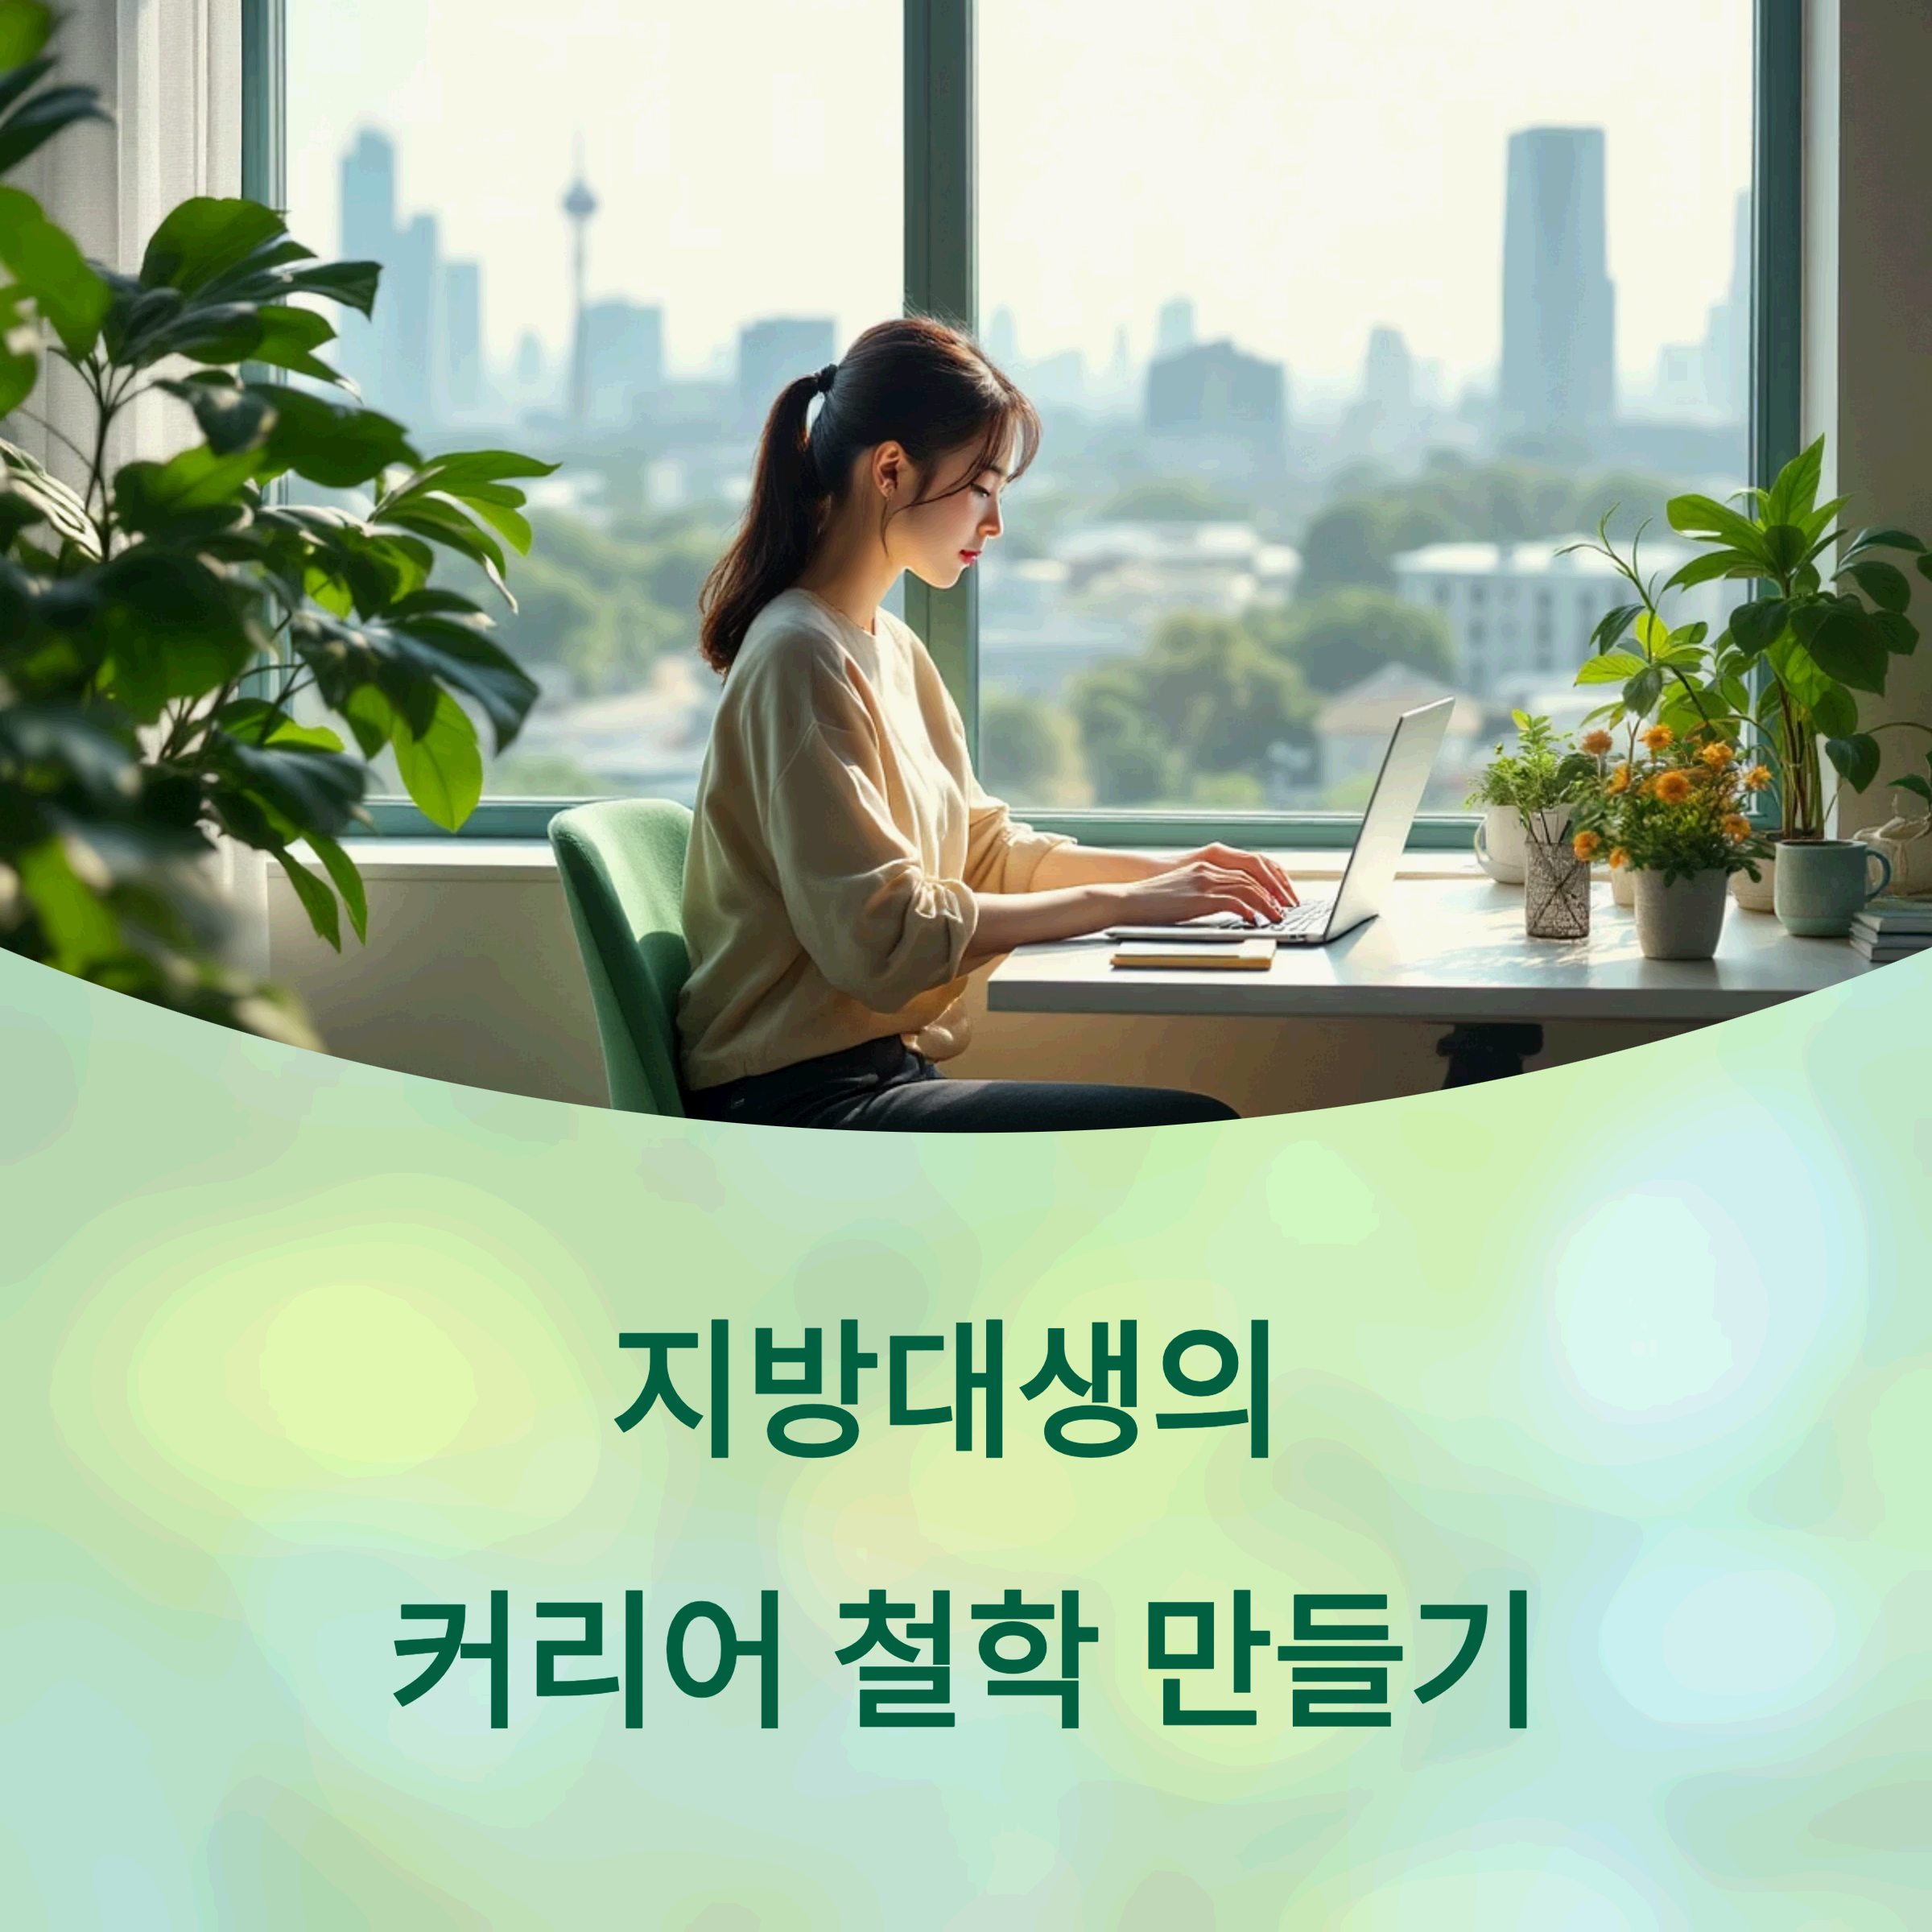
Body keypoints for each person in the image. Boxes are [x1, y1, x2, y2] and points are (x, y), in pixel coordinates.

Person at [676, 315, 1300, 1132]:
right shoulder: (798, 656)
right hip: (799, 1106)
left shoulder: (889, 649)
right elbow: (885, 936)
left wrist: (1174, 877)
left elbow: (987, 855)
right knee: (1190, 1132)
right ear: (891, 471)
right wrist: (1133, 905)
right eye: (981, 487)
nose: (995, 523)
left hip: (878, 1077)